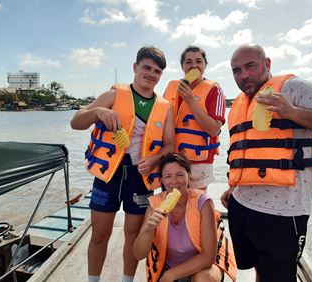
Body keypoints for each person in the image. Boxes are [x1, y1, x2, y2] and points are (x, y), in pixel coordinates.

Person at [220, 45, 312, 282]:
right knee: (259, 272)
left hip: (283, 214)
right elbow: (247, 153)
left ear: (267, 64)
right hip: (241, 205)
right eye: (236, 70)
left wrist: (291, 111)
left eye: (250, 66)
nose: (243, 75)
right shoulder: (240, 104)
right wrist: (234, 188)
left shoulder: (293, 88)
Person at [70, 46, 175, 282]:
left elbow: (170, 146)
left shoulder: (165, 107)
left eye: (157, 71)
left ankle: (127, 279)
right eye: (146, 68)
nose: (151, 74)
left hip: (141, 176)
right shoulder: (114, 95)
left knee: (133, 234)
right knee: (99, 234)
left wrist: (156, 158)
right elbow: (76, 122)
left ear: (161, 76)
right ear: (135, 67)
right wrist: (97, 112)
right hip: (109, 174)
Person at [133, 153, 237, 282]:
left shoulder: (203, 203)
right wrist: (147, 230)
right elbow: (139, 254)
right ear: (162, 181)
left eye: (180, 174)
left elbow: (208, 257)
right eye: (168, 176)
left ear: (189, 176)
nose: (174, 181)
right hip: (167, 267)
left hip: (203, 268)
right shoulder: (154, 206)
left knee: (203, 279)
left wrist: (170, 275)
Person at [163, 46, 226, 192]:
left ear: (205, 64)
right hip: (172, 159)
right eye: (188, 62)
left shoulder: (214, 90)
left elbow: (214, 129)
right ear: (182, 66)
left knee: (196, 205)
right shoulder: (172, 87)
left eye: (198, 61)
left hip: (199, 161)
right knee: (172, 204)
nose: (193, 66)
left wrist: (191, 101)